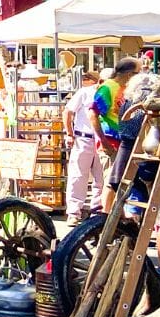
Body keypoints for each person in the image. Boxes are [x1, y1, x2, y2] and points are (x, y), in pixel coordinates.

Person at [88, 58, 141, 212]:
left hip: (123, 141)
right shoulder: (107, 87)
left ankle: (117, 216)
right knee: (111, 179)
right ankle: (105, 217)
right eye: (138, 73)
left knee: (120, 181)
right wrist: (103, 142)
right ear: (130, 74)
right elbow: (93, 114)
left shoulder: (126, 88)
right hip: (111, 140)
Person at [63, 71, 103, 226]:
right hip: (84, 137)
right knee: (78, 176)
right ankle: (74, 212)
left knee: (102, 178)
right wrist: (70, 134)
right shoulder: (84, 93)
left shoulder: (109, 94)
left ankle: (97, 212)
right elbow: (68, 111)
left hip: (101, 138)